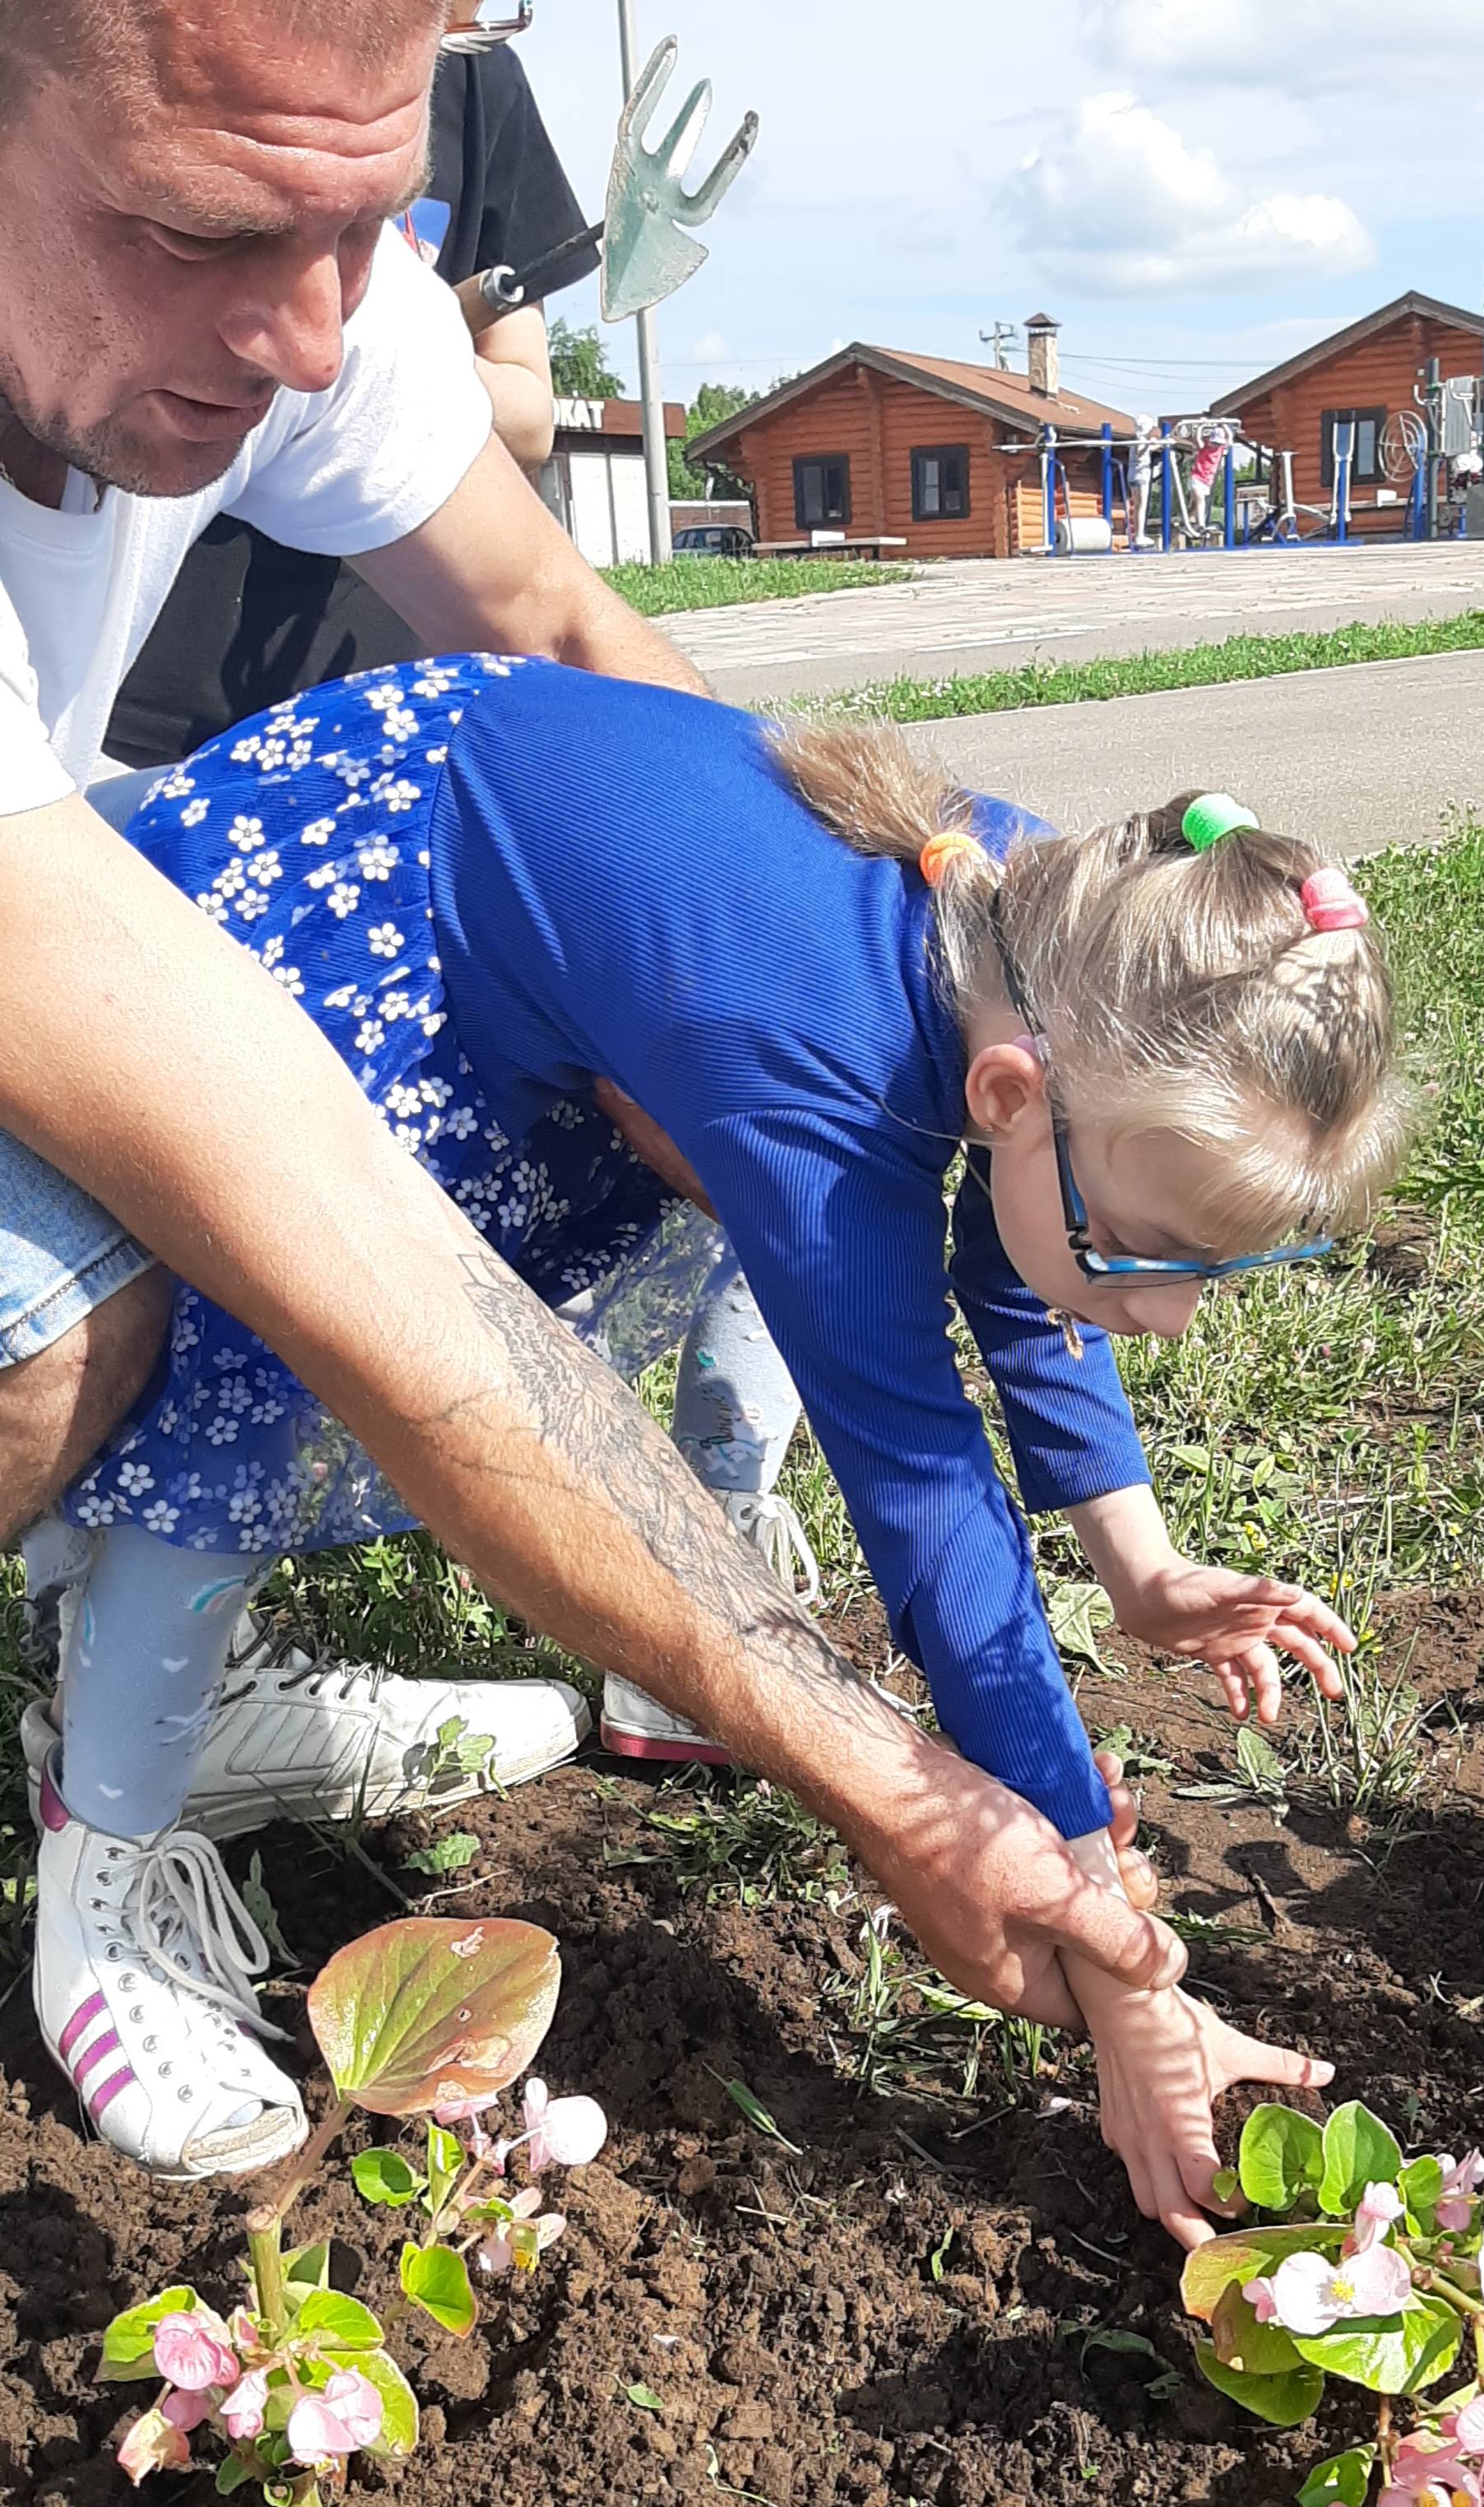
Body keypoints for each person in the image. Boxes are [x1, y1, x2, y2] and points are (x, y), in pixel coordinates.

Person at [0, 0, 1190, 2041]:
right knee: (73, 1315)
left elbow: (558, 621)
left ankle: (167, 1660)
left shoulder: (295, 269)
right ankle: (96, 1799)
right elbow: (352, 1251)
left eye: (362, 225)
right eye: (199, 235)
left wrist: (774, 907)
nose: (307, 332)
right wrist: (886, 1775)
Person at [42, 662, 1406, 2231]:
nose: (1160, 1318)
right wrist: (1113, 1954)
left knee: (392, 1308)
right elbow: (922, 1490)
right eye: (1157, 1251)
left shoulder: (1073, 931)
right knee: (282, 1324)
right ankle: (105, 1859)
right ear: (1007, 1090)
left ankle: (187, 1701)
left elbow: (1025, 1255)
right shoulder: (818, 1058)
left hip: (483, 857)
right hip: (339, 894)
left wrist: (1139, 1560)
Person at [102, 0, 578, 775]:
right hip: (135, 711)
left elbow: (530, 417)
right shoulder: (174, 41)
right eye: (209, 232)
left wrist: (393, 362)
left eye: (366, 230)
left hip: (381, 686)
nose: (313, 352)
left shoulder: (483, 81)